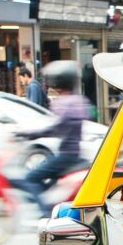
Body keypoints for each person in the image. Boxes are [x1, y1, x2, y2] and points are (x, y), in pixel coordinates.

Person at [11, 61, 89, 215]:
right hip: (72, 154)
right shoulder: (76, 100)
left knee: (30, 178)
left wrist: (28, 134)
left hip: (66, 156)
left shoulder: (68, 103)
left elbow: (55, 128)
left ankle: (46, 213)